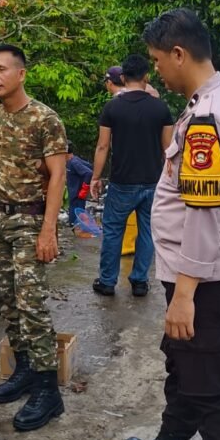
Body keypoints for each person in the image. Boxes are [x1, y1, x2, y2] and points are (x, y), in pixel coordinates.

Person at [123, 8, 220, 440]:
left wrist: (184, 293)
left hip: (205, 276)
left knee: (211, 382)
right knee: (185, 367)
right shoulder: (206, 104)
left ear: (178, 54)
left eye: (158, 61)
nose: (156, 70)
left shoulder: (207, 117)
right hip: (197, 271)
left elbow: (204, 211)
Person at [0, 44, 68, 432]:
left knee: (31, 303)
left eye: (1, 69)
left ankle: (47, 389)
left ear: (21, 74)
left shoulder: (45, 118)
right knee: (6, 300)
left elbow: (58, 176)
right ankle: (23, 368)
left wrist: (48, 229)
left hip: (29, 221)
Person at [90, 53, 174, 297]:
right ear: (146, 76)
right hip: (152, 180)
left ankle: (107, 281)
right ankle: (139, 281)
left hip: (122, 181)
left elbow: (103, 146)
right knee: (147, 230)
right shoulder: (160, 108)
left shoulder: (112, 107)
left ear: (123, 77)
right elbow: (168, 149)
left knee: (114, 230)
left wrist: (95, 177)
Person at [65, 141, 93, 224]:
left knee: (76, 222)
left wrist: (84, 189)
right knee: (74, 221)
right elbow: (89, 166)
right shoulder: (72, 160)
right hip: (74, 194)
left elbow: (88, 173)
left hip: (78, 196)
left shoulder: (74, 162)